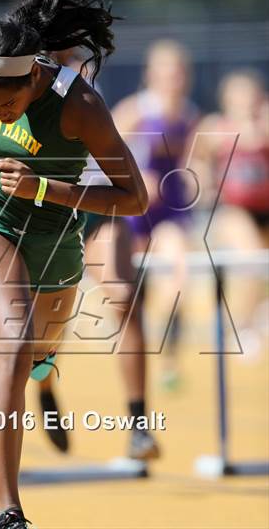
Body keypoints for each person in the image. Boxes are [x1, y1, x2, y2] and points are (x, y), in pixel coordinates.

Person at [0, 0, 148, 529]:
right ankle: (10, 512)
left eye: (10, 104)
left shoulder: (80, 106)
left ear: (34, 76)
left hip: (56, 236)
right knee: (14, 344)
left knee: (39, 355)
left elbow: (135, 198)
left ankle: (45, 379)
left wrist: (46, 187)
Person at [38, 45, 160, 460]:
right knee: (47, 325)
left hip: (93, 207)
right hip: (46, 210)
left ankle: (139, 423)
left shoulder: (84, 77)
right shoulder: (22, 81)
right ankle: (45, 388)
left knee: (125, 297)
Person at [111, 40, 199, 390]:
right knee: (132, 294)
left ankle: (169, 359)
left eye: (177, 72)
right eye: (164, 72)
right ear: (151, 75)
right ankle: (137, 356)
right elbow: (103, 150)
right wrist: (134, 176)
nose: (171, 79)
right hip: (135, 212)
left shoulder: (190, 115)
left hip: (170, 214)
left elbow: (194, 160)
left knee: (179, 279)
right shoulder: (135, 110)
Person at [192, 70, 269, 340]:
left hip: (265, 208)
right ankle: (243, 326)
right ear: (226, 99)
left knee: (260, 261)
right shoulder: (215, 126)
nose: (246, 101)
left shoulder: (264, 123)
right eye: (239, 95)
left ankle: (256, 312)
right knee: (251, 256)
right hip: (232, 209)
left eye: (250, 95)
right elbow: (195, 161)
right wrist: (203, 186)